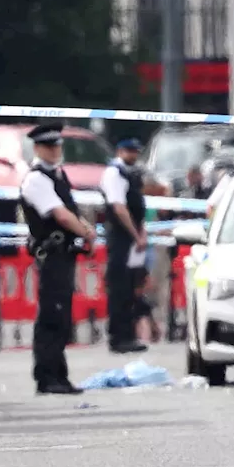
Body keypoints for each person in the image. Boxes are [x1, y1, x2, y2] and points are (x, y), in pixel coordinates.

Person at [19, 123, 97, 395]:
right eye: (50, 146)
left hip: (64, 256)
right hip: (51, 256)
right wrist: (86, 231)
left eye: (58, 145)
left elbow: (69, 209)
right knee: (52, 316)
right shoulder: (36, 179)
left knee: (61, 316)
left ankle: (59, 375)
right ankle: (47, 377)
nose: (55, 150)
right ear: (38, 148)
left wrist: (84, 228)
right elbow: (60, 215)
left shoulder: (56, 174)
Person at [100, 138, 151, 355]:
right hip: (121, 237)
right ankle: (118, 337)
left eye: (136, 151)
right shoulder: (114, 173)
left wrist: (141, 233)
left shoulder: (131, 174)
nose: (134, 155)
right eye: (130, 151)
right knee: (120, 288)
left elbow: (137, 208)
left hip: (132, 237)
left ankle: (128, 335)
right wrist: (135, 234)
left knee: (131, 287)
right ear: (120, 151)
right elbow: (119, 208)